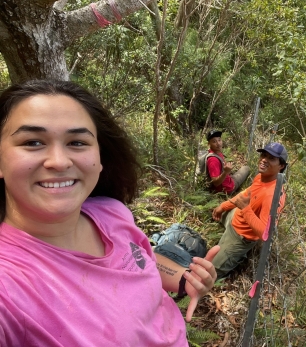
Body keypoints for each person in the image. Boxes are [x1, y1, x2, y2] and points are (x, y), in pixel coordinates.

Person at [0, 80, 219, 346]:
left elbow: (140, 260)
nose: (59, 161)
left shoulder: (111, 212)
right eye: (33, 142)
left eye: (77, 142)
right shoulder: (9, 286)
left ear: (100, 157)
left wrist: (185, 279)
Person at [211, 142, 287, 278]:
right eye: (264, 155)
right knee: (213, 212)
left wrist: (245, 209)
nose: (264, 159)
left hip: (241, 236)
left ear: (281, 166)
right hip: (235, 216)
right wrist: (223, 206)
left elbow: (265, 234)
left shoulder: (273, 195)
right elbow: (244, 195)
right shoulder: (260, 177)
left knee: (210, 273)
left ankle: (236, 256)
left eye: (271, 158)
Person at [205, 129, 250, 195]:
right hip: (227, 189)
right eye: (214, 141)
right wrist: (226, 172)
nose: (218, 143)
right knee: (246, 168)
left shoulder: (216, 152)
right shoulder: (213, 160)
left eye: (219, 140)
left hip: (226, 180)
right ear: (209, 144)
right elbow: (216, 183)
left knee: (238, 172)